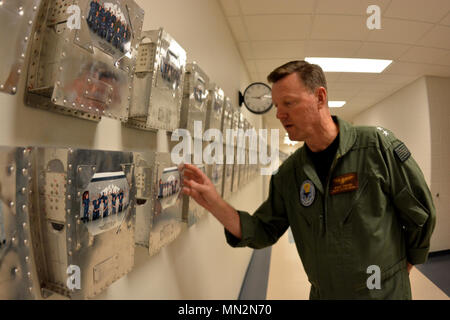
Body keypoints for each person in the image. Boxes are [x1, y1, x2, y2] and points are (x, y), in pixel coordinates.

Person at [182, 60, 436, 300]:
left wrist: (405, 265)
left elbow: (421, 213)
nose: (280, 114)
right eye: (277, 106)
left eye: (288, 103)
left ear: (320, 97)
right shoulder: (290, 174)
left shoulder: (375, 147)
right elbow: (262, 231)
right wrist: (215, 203)